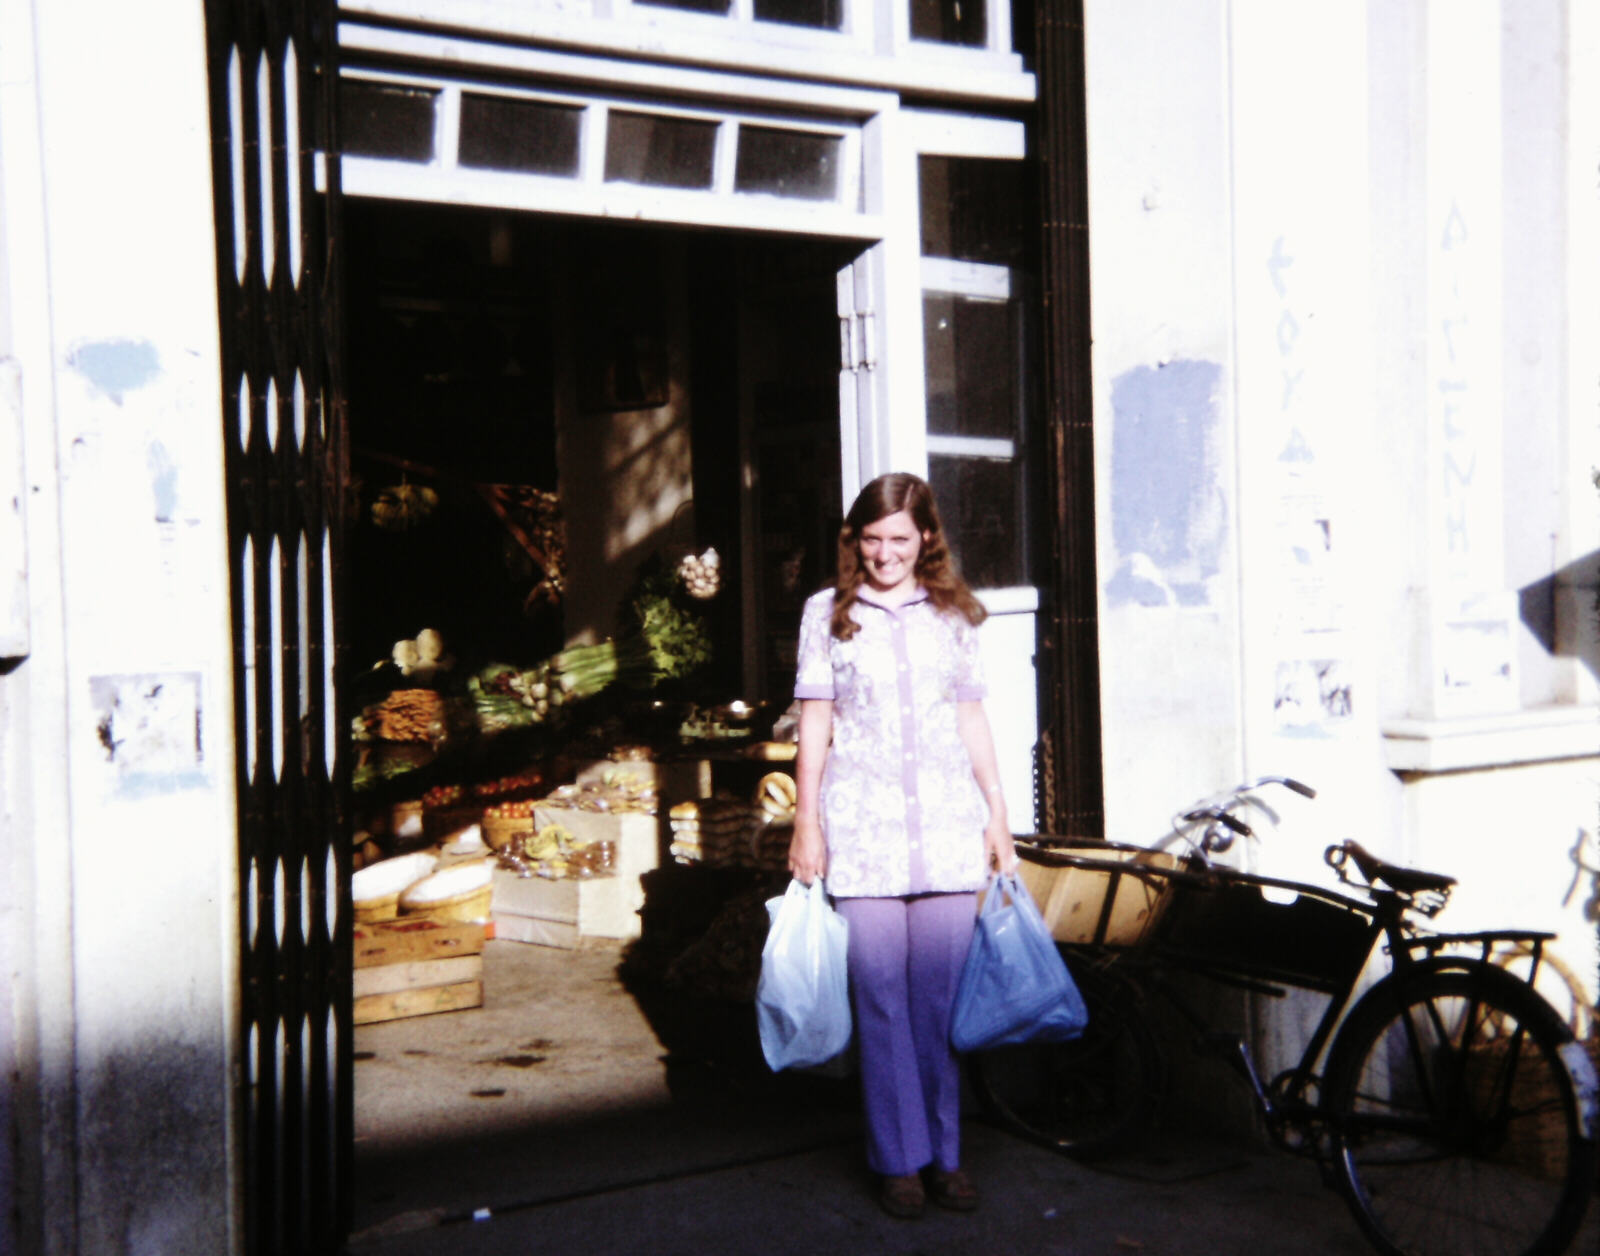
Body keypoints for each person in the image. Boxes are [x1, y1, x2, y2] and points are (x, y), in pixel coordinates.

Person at [788, 471, 1017, 1220]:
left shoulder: (953, 615)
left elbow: (972, 720)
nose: (885, 553)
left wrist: (997, 815)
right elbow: (815, 726)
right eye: (872, 538)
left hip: (948, 829)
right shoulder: (828, 612)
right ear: (855, 541)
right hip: (863, 831)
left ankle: (947, 1154)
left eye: (899, 538)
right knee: (882, 1000)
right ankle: (899, 1161)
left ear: (926, 538)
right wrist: (807, 824)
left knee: (938, 1005)